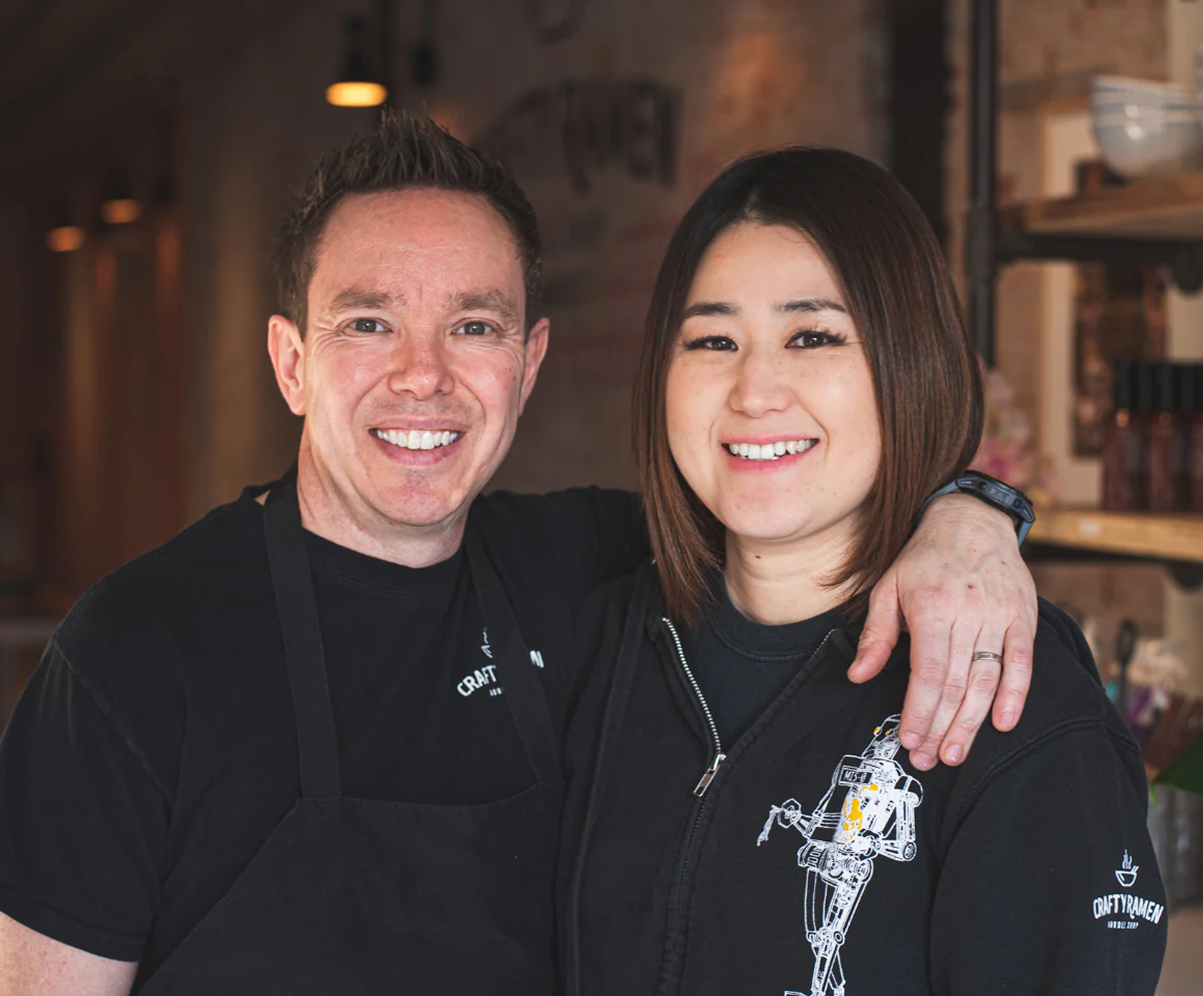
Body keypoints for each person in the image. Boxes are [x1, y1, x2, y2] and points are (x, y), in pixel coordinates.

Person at [0, 117, 1037, 994]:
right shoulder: (139, 648)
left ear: (528, 363)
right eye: (368, 323)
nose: (422, 376)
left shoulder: (593, 571)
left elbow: (797, 499)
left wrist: (971, 509)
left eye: (474, 326)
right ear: (292, 362)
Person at [559, 147, 1166, 995]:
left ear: (909, 363)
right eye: (712, 339)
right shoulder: (592, 642)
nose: (754, 390)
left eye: (811, 337)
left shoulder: (1002, 702)